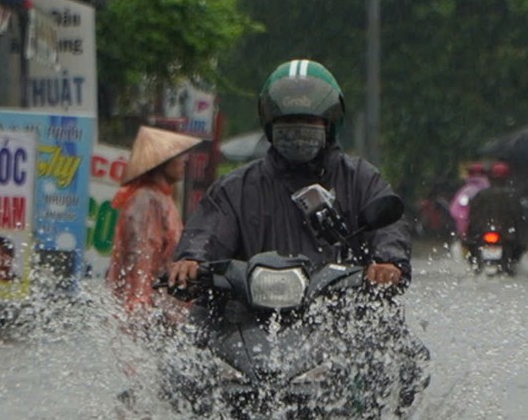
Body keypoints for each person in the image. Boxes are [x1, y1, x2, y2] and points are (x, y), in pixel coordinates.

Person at [167, 60, 408, 289]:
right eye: (288, 122)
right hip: (250, 320)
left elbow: (389, 229)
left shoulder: (360, 179)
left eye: (307, 122)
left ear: (330, 124)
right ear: (270, 125)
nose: (298, 133)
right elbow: (208, 230)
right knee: (201, 323)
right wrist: (192, 259)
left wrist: (388, 262)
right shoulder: (235, 189)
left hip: (342, 313)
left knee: (386, 328)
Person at [108, 125, 202, 313]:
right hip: (148, 306)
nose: (183, 161)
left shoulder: (162, 198)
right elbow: (141, 252)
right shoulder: (146, 200)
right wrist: (138, 300)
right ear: (163, 162)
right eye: (178, 156)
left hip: (161, 303)